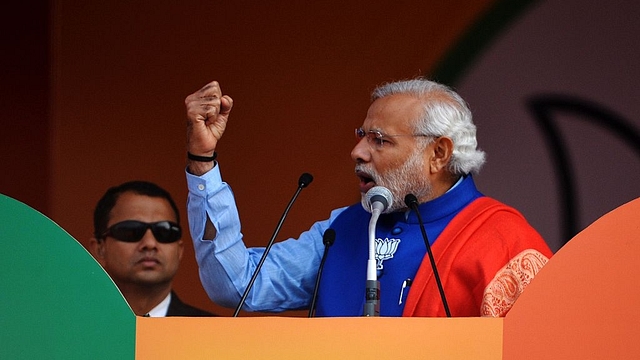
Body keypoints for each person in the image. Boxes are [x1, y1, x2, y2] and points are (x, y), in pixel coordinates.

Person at [183, 78, 553, 317]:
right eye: (362, 135)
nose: (357, 151)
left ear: (438, 154)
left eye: (379, 140)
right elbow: (235, 284)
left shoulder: (504, 240)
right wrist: (203, 163)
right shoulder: (344, 227)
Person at [89, 180, 214, 317]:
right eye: (131, 231)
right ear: (99, 249)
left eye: (164, 231)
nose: (149, 243)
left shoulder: (213, 334)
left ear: (180, 250)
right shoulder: (67, 329)